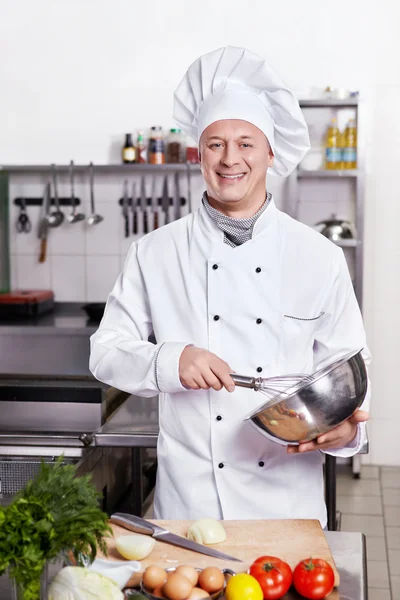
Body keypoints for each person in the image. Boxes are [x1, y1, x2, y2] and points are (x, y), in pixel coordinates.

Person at [90, 46, 370, 527]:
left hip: (288, 507)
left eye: (246, 143)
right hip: (192, 508)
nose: (230, 159)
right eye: (215, 144)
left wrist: (347, 435)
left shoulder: (318, 256)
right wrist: (170, 359)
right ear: (198, 153)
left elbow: (349, 372)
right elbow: (105, 352)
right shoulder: (155, 252)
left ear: (270, 152)